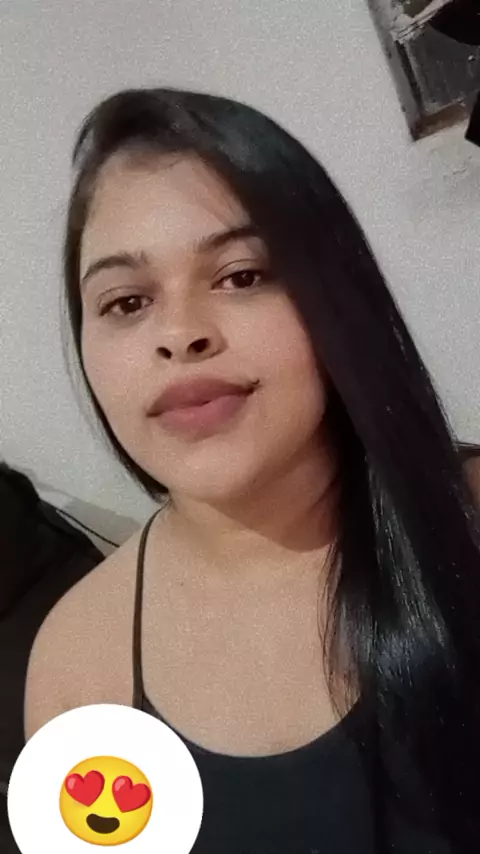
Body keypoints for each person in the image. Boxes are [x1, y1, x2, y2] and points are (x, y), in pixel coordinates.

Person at [25, 87, 480, 853]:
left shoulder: (467, 518)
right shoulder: (78, 668)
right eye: (127, 302)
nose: (179, 334)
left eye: (240, 276)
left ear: (335, 295)